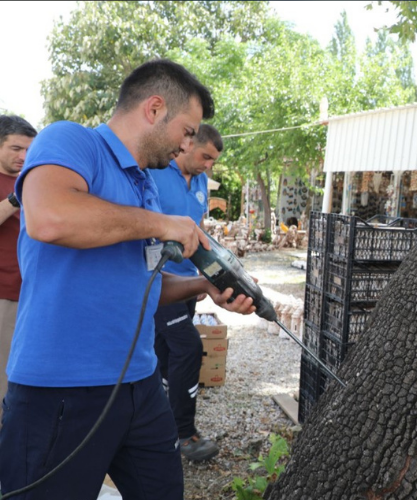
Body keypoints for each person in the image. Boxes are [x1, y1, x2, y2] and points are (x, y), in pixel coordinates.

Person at [0, 59, 256, 500]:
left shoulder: (147, 186)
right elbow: (49, 218)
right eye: (189, 130)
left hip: (140, 386)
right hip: (60, 390)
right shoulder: (71, 140)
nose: (187, 144)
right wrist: (159, 224)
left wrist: (202, 287)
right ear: (155, 109)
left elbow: (142, 287)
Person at [149, 123, 223, 461]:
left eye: (213, 161)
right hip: (157, 281)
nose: (209, 165)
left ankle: (157, 427)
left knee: (164, 355)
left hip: (188, 283)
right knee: (188, 348)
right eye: (206, 156)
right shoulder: (156, 171)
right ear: (188, 143)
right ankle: (184, 434)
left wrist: (208, 272)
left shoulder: (203, 181)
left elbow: (199, 228)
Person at [0, 115, 37, 426]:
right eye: (16, 148)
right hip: (4, 295)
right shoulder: (18, 187)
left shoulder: (33, 180)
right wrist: (15, 198)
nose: (23, 156)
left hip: (32, 294)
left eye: (29, 150)